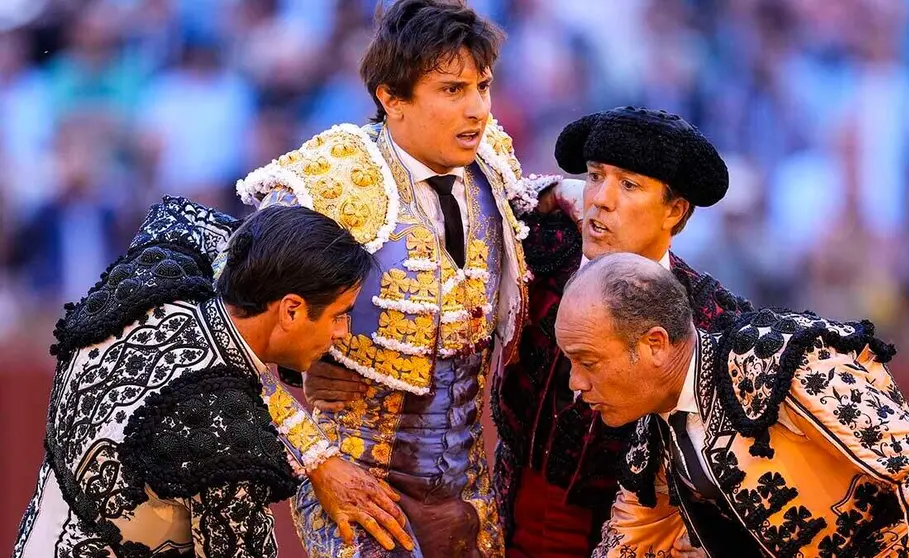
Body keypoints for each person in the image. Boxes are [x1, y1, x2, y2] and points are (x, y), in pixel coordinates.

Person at [232, 1, 562, 555]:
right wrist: (317, 460)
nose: (478, 110)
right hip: (360, 480)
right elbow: (227, 328)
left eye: (482, 87)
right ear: (390, 98)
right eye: (452, 90)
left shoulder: (492, 166)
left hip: (468, 492)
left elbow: (530, 208)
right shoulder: (334, 180)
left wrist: (568, 193)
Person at [11, 198, 389, 557]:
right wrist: (318, 455)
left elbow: (177, 216)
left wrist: (273, 259)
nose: (342, 333)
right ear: (291, 310)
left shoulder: (149, 288)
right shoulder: (229, 436)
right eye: (338, 315)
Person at [557, 252, 909, 557]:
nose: (575, 383)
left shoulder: (780, 359)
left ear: (655, 344)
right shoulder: (653, 436)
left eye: (587, 361)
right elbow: (628, 547)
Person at [483, 107, 749, 556]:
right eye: (594, 176)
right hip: (497, 531)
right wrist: (553, 190)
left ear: (675, 210)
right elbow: (464, 209)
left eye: (629, 185)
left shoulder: (712, 320)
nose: (601, 199)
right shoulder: (535, 249)